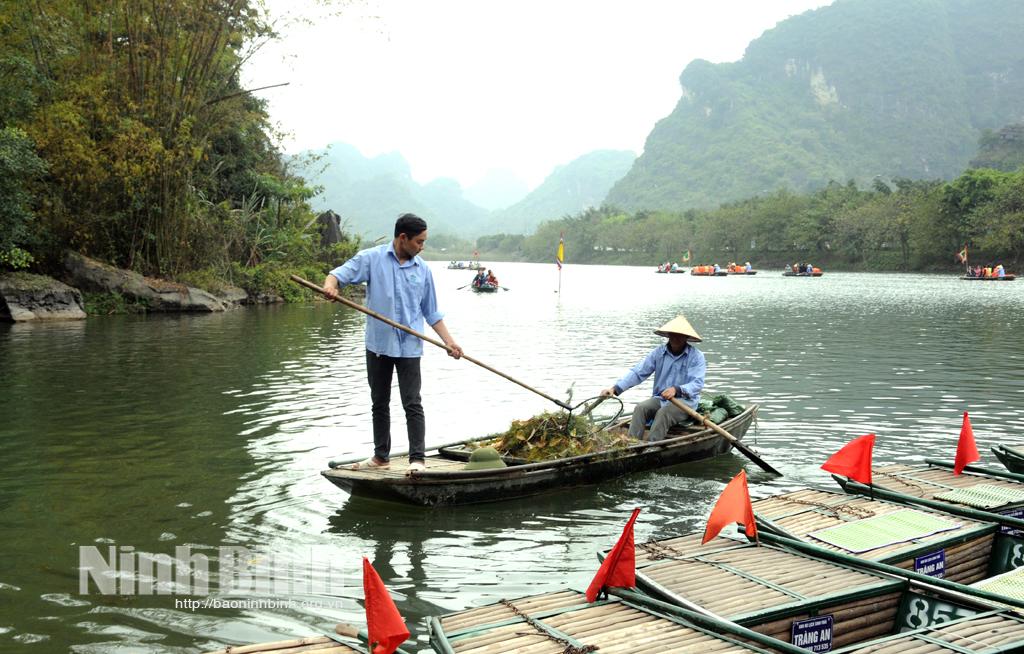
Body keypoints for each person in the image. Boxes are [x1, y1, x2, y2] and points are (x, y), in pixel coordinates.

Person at [323, 213, 463, 474]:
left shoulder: (422, 269)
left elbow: (431, 312)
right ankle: (380, 456)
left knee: (412, 402)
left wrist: (450, 343)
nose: (422, 247)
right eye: (419, 242)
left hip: (410, 347)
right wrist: (331, 287)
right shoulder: (372, 259)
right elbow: (337, 275)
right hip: (378, 346)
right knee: (379, 402)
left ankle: (417, 460)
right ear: (403, 238)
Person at [599, 315, 707, 442]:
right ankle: (632, 443)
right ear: (668, 335)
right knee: (640, 408)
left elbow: (697, 383)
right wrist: (615, 389)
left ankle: (651, 446)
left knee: (663, 413)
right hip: (661, 399)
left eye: (680, 335)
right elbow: (638, 372)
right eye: (673, 334)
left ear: (686, 337)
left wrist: (676, 390)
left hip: (685, 403)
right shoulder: (658, 353)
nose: (675, 338)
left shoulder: (696, 357)